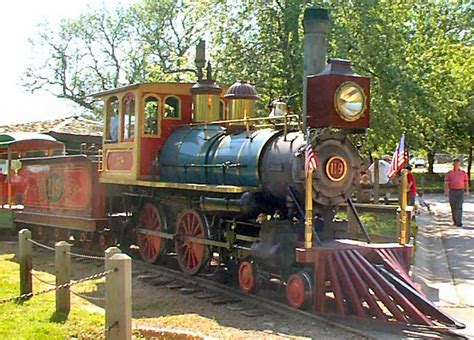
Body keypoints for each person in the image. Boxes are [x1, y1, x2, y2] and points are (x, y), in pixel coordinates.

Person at [444, 159, 469, 227]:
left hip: (460, 190)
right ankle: (455, 220)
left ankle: (459, 221)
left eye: (458, 164)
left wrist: (467, 191)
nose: (456, 165)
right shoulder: (449, 173)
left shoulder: (463, 173)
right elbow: (446, 183)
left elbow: (466, 182)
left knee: (459, 206)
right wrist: (446, 191)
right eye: (455, 164)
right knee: (453, 206)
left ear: (459, 165)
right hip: (452, 191)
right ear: (453, 165)